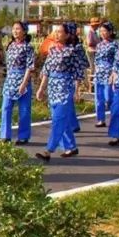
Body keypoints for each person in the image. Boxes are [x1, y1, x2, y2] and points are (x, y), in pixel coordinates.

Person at [35, 22, 88, 161]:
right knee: (60, 119)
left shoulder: (72, 52)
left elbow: (78, 73)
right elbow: (46, 71)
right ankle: (71, 146)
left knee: (58, 120)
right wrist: (41, 88)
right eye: (55, 31)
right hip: (53, 87)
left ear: (67, 35)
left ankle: (49, 150)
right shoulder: (52, 50)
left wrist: (77, 91)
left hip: (65, 87)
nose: (56, 34)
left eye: (60, 31)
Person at [0, 20, 35, 144]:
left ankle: (23, 136)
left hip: (22, 79)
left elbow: (30, 67)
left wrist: (24, 83)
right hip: (10, 80)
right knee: (6, 107)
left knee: (24, 110)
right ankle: (5, 135)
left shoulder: (28, 47)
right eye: (14, 29)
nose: (15, 31)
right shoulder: (10, 46)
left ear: (24, 31)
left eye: (18, 29)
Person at [92, 21, 118, 128]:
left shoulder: (115, 45)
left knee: (109, 98)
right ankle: (101, 119)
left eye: (105, 31)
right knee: (99, 98)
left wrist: (114, 73)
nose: (103, 33)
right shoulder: (99, 45)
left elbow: (117, 60)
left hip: (109, 72)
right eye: (101, 31)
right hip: (99, 73)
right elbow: (96, 59)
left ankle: (113, 118)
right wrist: (95, 70)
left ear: (110, 32)